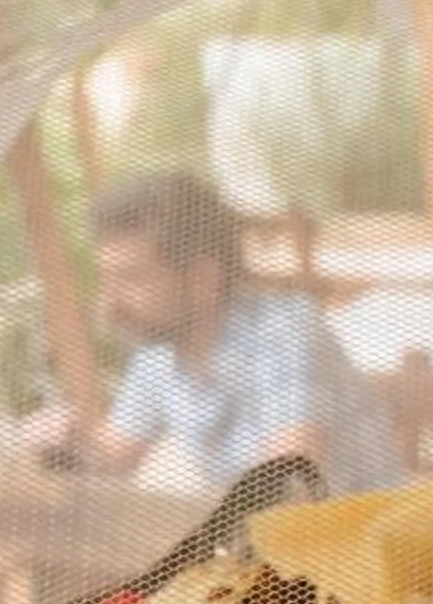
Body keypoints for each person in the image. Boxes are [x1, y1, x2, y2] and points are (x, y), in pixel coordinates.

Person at [55, 171, 402, 495]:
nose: (109, 302)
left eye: (131, 278)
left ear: (203, 279)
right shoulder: (161, 347)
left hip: (357, 548)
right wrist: (64, 449)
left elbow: (291, 481)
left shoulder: (283, 330)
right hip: (267, 547)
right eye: (108, 279)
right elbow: (114, 457)